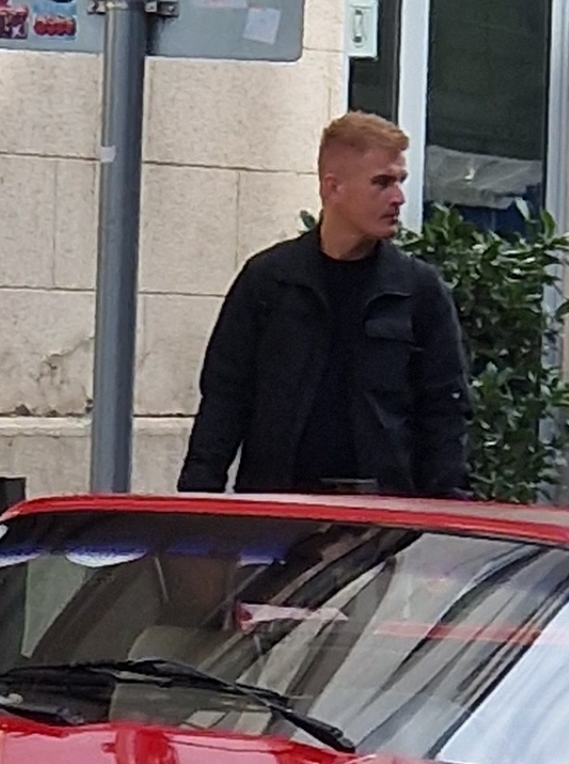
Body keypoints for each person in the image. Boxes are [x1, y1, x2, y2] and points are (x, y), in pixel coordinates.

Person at [179, 112, 473, 499]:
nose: (398, 198)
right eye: (382, 183)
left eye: (400, 181)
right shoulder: (270, 280)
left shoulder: (418, 290)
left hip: (382, 515)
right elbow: (225, 398)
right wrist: (197, 503)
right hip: (279, 508)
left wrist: (446, 510)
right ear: (333, 188)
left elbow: (445, 412)